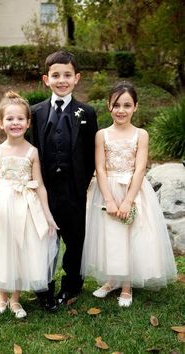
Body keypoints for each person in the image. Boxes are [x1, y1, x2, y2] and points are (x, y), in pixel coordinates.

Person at [81, 81, 177, 307]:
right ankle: (112, 279)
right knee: (110, 236)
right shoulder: (101, 135)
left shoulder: (140, 134)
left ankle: (127, 285)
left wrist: (127, 201)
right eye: (116, 105)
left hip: (133, 190)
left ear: (136, 107)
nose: (121, 110)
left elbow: (140, 168)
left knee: (130, 236)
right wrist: (109, 199)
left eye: (127, 105)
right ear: (108, 106)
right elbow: (100, 168)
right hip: (107, 189)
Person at [0, 91, 58, 318]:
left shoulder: (32, 151)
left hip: (26, 206)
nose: (15, 123)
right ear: (1, 123)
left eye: (20, 119)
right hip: (2, 206)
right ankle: (2, 298)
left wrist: (47, 216)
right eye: (9, 119)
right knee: (2, 248)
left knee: (21, 249)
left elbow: (39, 186)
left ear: (28, 123)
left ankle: (16, 300)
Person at [31, 50, 98, 310]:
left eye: (67, 75)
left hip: (74, 190)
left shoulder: (87, 112)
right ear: (46, 79)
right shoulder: (35, 112)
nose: (62, 80)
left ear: (77, 78)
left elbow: (92, 153)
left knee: (74, 239)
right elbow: (32, 148)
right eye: (56, 75)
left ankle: (71, 285)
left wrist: (80, 184)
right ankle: (44, 286)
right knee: (46, 238)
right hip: (45, 190)